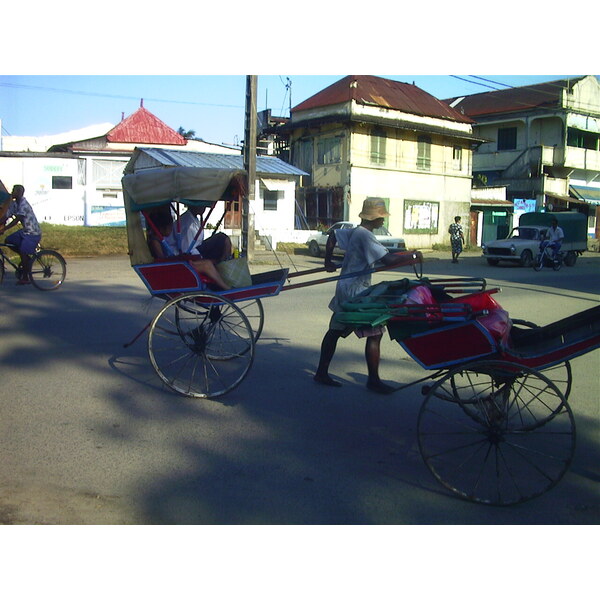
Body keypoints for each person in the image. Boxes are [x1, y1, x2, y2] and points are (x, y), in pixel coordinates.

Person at [313, 198, 412, 395]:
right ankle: (373, 381)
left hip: (346, 288)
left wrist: (328, 261)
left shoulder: (355, 231)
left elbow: (332, 236)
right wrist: (413, 256)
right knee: (375, 333)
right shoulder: (365, 236)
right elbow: (387, 259)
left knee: (335, 331)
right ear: (374, 218)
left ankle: (321, 372)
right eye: (381, 218)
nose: (383, 221)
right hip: (356, 291)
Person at [146, 208, 231, 291]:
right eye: (170, 228)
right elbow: (162, 261)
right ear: (162, 229)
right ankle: (225, 287)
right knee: (207, 265)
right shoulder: (155, 241)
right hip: (173, 268)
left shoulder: (162, 239)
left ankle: (221, 285)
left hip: (177, 264)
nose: (172, 230)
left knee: (208, 263)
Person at [0, 185, 42, 285]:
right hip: (24, 231)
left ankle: (25, 277)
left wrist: (4, 228)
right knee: (9, 240)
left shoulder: (23, 204)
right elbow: (7, 216)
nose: (12, 193)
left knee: (23, 251)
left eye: (14, 191)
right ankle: (26, 259)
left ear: (20, 193)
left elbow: (17, 219)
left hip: (32, 232)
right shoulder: (14, 204)